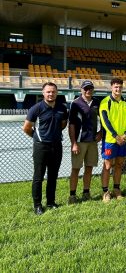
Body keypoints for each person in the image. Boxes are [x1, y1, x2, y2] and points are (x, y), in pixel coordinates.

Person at [22, 82, 68, 215]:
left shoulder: (62, 108)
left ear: (57, 93)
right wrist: (37, 138)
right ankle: (37, 205)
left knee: (53, 176)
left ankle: (51, 202)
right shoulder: (36, 108)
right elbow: (26, 128)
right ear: (43, 93)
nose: (50, 94)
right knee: (38, 177)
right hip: (41, 147)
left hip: (56, 146)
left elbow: (63, 124)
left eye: (53, 91)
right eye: (48, 92)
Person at [68, 80, 101, 204]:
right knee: (76, 168)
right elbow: (71, 124)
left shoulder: (97, 102)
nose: (88, 91)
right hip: (80, 141)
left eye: (90, 88)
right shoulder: (76, 103)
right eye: (85, 88)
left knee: (89, 168)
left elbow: (103, 118)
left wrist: (101, 132)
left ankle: (86, 192)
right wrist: (73, 143)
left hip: (92, 141)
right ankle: (72, 195)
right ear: (81, 89)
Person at [99, 78, 126, 202]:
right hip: (110, 140)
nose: (118, 89)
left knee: (119, 164)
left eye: (120, 87)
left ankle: (117, 189)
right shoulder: (105, 102)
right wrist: (115, 135)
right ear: (111, 87)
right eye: (115, 87)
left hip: (123, 139)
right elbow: (105, 120)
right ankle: (105, 191)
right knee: (107, 165)